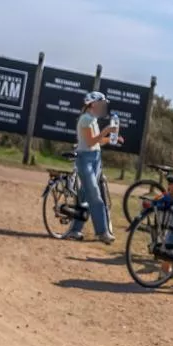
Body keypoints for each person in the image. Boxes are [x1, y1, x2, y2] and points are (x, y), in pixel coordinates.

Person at [61, 91, 120, 243]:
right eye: (101, 104)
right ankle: (102, 233)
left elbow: (97, 142)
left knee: (85, 196)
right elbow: (90, 142)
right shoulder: (86, 119)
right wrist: (106, 131)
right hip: (86, 159)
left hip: (95, 159)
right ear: (93, 104)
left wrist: (112, 139)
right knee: (95, 196)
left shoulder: (92, 119)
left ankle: (74, 230)